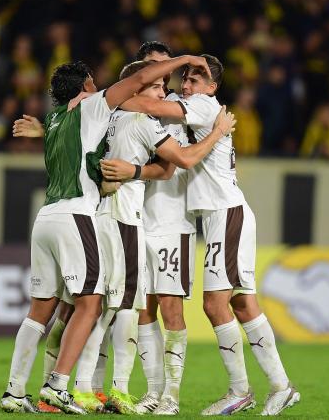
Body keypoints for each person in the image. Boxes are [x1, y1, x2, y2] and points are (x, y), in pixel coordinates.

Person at [0, 55, 212, 414]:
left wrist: (38, 130)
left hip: (45, 219)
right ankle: (61, 385)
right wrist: (186, 59)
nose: (99, 87)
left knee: (41, 310)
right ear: (85, 86)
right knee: (93, 303)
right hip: (78, 216)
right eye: (93, 82)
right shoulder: (96, 108)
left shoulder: (54, 120)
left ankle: (14, 392)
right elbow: (140, 80)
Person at [102, 54, 300, 416]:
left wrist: (113, 97)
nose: (187, 84)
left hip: (226, 213)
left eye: (196, 79)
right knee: (242, 304)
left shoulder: (205, 106)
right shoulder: (201, 109)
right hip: (216, 217)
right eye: (186, 78)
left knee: (214, 304)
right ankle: (280, 387)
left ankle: (241, 390)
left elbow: (144, 102)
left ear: (212, 87)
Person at [71, 59, 234, 415]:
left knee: (164, 307)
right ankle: (145, 392)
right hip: (135, 220)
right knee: (135, 309)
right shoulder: (141, 114)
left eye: (168, 78)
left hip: (172, 223)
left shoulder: (182, 111)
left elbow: (176, 163)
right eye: (158, 79)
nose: (168, 84)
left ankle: (169, 397)